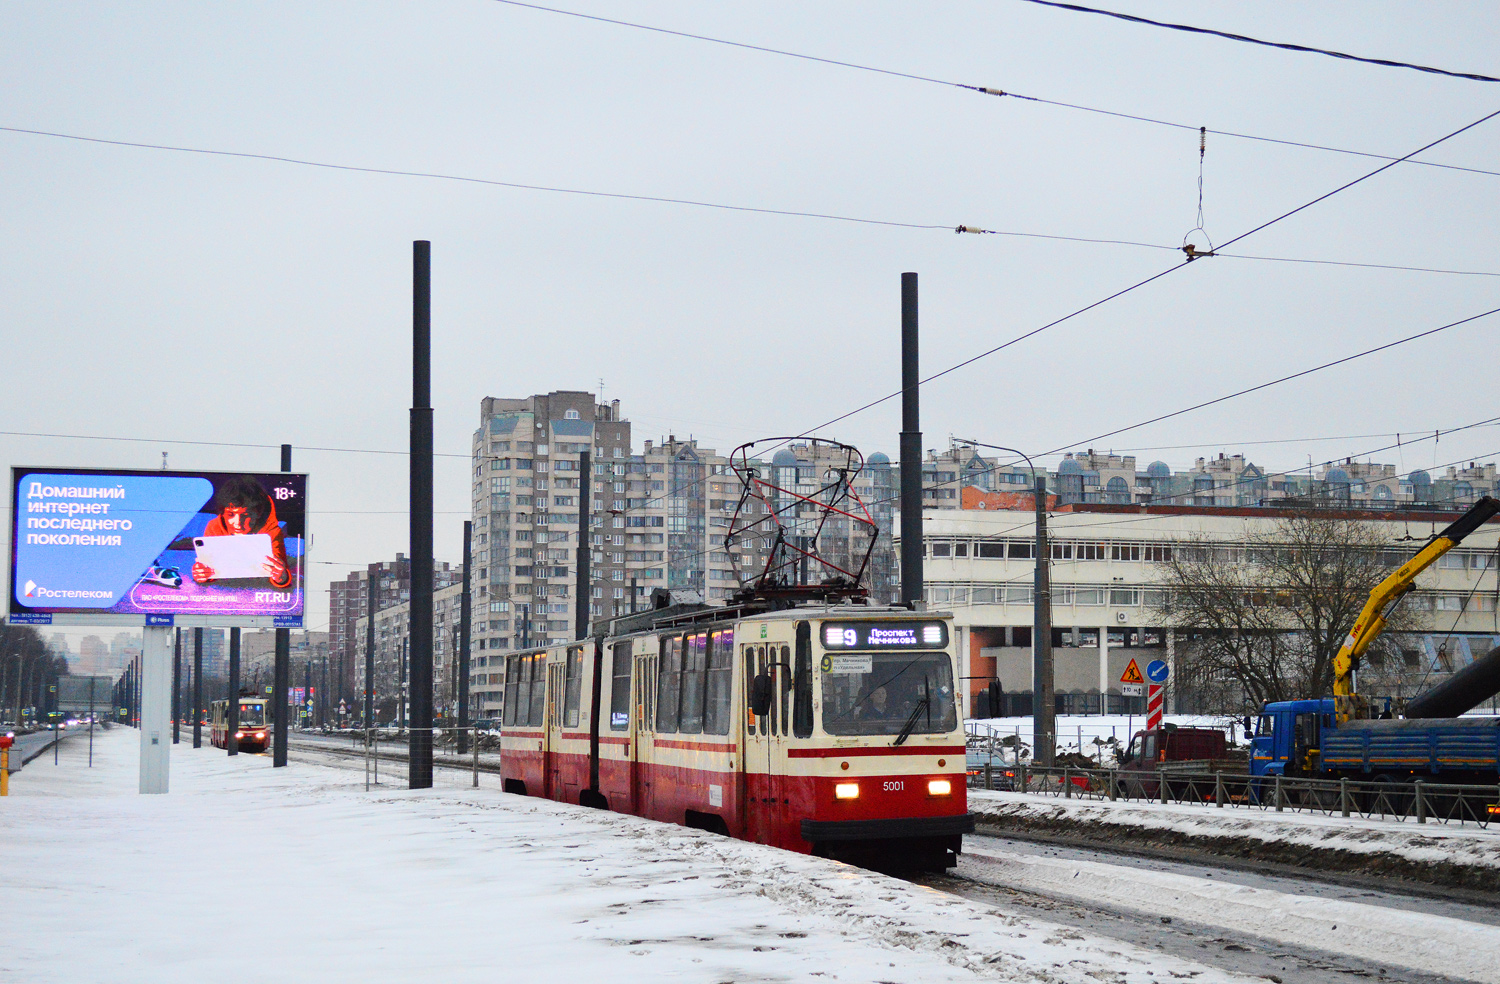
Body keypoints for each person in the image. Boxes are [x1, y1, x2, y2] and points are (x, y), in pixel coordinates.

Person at [192, 476, 292, 587]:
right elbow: (209, 567)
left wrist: (281, 577)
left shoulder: (272, 531)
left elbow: (282, 573)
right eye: (230, 514)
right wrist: (202, 574)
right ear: (222, 512)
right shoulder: (214, 527)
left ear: (258, 513)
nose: (237, 523)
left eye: (246, 515)